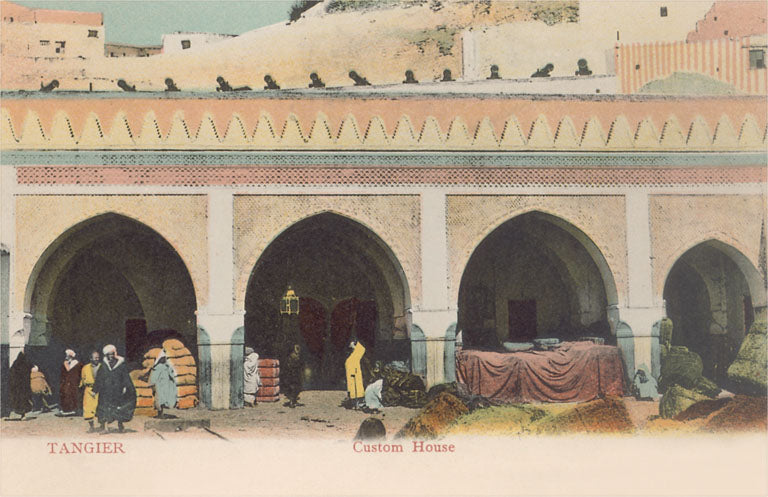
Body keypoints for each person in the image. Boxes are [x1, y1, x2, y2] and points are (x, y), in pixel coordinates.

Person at [92, 344, 136, 433]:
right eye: (108, 355)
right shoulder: (103, 366)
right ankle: (105, 428)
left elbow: (126, 377)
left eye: (112, 354)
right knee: (104, 408)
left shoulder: (121, 365)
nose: (110, 356)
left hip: (117, 391)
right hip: (105, 391)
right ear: (106, 355)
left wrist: (127, 388)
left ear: (115, 354)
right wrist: (95, 390)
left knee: (118, 408)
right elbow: (99, 379)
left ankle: (120, 426)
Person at [148, 349, 177, 418]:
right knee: (159, 399)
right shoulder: (158, 367)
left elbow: (171, 375)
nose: (164, 360)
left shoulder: (167, 367)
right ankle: (160, 414)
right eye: (162, 358)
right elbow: (153, 377)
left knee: (164, 399)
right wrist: (152, 385)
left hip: (166, 386)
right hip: (159, 386)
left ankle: (162, 413)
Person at [80, 350, 101, 432]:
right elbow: (82, 379)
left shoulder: (102, 366)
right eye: (95, 358)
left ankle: (102, 425)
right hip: (89, 390)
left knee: (100, 408)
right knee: (88, 409)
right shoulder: (85, 368)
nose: (97, 359)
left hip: (99, 390)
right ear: (91, 358)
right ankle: (91, 426)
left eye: (98, 357)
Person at [9, 350, 33, 419]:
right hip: (25, 385)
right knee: (25, 399)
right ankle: (24, 414)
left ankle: (21, 414)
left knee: (19, 400)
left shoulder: (16, 363)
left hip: (18, 385)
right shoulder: (26, 363)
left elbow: (11, 372)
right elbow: (32, 367)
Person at [58, 349, 82, 416]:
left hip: (72, 382)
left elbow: (69, 370)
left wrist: (65, 363)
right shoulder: (69, 362)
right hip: (69, 382)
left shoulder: (75, 363)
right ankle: (68, 409)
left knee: (71, 395)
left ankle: (72, 410)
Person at [345, 340, 366, 409]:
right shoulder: (353, 356)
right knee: (354, 389)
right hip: (352, 374)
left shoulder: (355, 355)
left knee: (356, 389)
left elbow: (362, 349)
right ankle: (355, 403)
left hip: (355, 374)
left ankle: (356, 403)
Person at [282, 344, 303, 408]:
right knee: (295, 388)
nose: (298, 350)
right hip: (293, 374)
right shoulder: (294, 356)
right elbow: (294, 366)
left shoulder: (294, 356)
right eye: (297, 348)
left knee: (296, 387)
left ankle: (294, 401)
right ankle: (292, 402)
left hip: (294, 374)